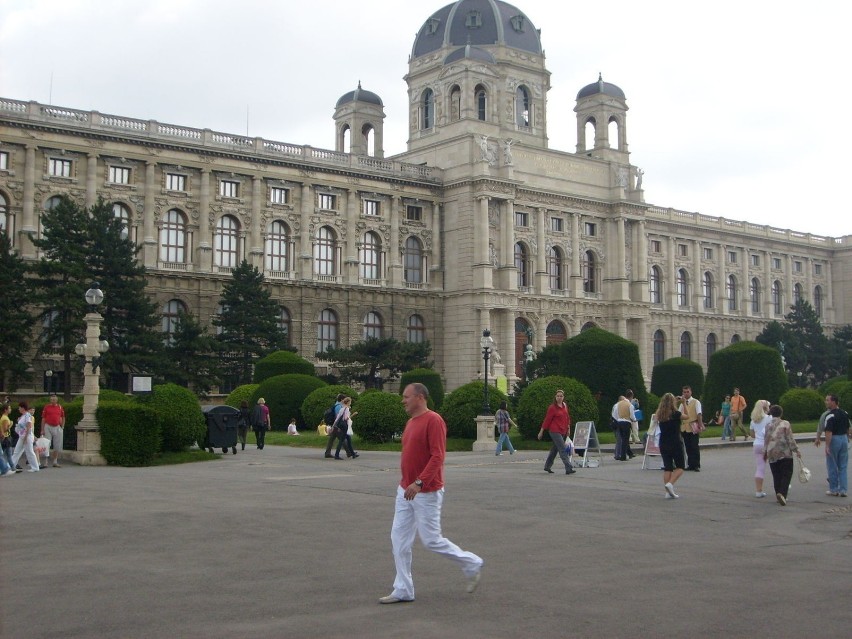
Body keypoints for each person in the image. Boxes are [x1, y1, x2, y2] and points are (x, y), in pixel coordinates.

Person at [378, 383, 483, 604]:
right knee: (399, 539)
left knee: (431, 540)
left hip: (426, 491)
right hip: (405, 490)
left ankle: (471, 563)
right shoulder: (410, 422)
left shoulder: (434, 420)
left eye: (406, 396)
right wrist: (409, 484)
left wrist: (419, 482)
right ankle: (403, 589)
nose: (402, 400)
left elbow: (438, 456)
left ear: (420, 397)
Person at [763, 405, 801, 506]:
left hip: (772, 452)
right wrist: (796, 450)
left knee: (776, 475)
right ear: (781, 413)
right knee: (786, 474)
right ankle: (782, 494)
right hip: (784, 452)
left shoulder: (768, 425)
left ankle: (777, 494)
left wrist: (764, 452)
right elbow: (790, 438)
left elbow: (766, 439)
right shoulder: (785, 423)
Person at [537, 389, 576, 474]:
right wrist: (541, 431)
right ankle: (568, 468)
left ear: (563, 397)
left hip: (563, 430)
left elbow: (567, 418)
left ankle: (547, 466)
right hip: (554, 431)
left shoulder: (564, 406)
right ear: (555, 397)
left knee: (554, 450)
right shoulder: (552, 408)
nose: (559, 398)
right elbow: (547, 420)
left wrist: (568, 428)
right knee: (562, 449)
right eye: (558, 396)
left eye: (561, 396)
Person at [655, 393, 684, 498]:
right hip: (675, 441)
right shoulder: (676, 414)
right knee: (680, 466)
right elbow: (687, 416)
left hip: (663, 442)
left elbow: (655, 419)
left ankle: (667, 492)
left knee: (668, 467)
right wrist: (683, 403)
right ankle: (670, 484)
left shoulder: (660, 414)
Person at [822, 394, 849, 497]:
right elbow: (848, 427)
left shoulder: (830, 415)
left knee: (832, 465)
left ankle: (834, 489)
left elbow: (828, 431)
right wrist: (847, 438)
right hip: (844, 438)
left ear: (833, 402)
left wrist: (827, 445)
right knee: (843, 466)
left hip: (834, 439)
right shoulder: (844, 413)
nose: (826, 402)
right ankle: (843, 490)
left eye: (827, 400)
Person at [748, 400, 771, 498]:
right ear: (766, 408)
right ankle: (782, 486)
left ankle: (758, 491)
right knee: (776, 466)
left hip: (757, 444)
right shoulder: (769, 418)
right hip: (768, 444)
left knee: (760, 467)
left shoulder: (753, 420)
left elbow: (752, 434)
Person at [678, 386, 703, 471]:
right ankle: (690, 464)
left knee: (694, 446)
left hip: (693, 426)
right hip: (685, 427)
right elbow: (679, 414)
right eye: (684, 392)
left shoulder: (696, 402)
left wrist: (700, 425)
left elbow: (699, 414)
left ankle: (696, 464)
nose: (686, 393)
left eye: (687, 392)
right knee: (688, 446)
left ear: (691, 392)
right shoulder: (682, 404)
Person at [11, 401, 40, 473]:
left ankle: (35, 467)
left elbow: (29, 426)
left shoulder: (27, 415)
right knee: (17, 451)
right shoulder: (24, 416)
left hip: (27, 436)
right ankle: (12, 465)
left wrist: (26, 437)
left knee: (29, 451)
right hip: (22, 436)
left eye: (19, 408)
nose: (19, 409)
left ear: (23, 408)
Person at [38, 393, 65, 468]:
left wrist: (62, 426)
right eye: (52, 399)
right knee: (47, 444)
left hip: (57, 427)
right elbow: (43, 418)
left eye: (54, 399)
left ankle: (55, 461)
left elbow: (63, 417)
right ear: (50, 400)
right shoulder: (46, 407)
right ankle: (46, 461)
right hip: (48, 426)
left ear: (57, 400)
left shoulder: (60, 407)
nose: (53, 401)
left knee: (57, 445)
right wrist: (42, 429)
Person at [611, 391, 635, 461]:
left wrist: (618, 418)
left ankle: (623, 454)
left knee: (622, 438)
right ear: (631, 397)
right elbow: (632, 416)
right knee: (625, 440)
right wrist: (634, 419)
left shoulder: (618, 404)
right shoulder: (630, 405)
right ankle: (623, 456)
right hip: (626, 422)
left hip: (619, 422)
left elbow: (614, 414)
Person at [324, 394, 346, 458]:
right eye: (344, 399)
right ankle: (349, 452)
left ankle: (327, 453)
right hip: (337, 425)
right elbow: (338, 416)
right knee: (342, 439)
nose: (345, 400)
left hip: (335, 425)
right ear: (341, 399)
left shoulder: (336, 405)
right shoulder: (338, 406)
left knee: (331, 439)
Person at [1, 403, 15, 473]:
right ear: (5, 410)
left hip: (6, 437)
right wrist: (11, 424)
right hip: (6, 437)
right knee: (8, 454)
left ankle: (11, 467)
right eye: (9, 408)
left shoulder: (5, 417)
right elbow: (5, 429)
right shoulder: (5, 418)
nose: (10, 410)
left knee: (7, 454)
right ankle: (12, 468)